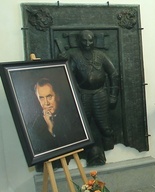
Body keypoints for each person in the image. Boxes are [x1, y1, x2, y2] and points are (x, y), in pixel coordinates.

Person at [61, 30, 119, 166]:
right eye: (84, 41)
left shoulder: (101, 55)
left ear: (94, 41)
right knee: (83, 127)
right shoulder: (75, 56)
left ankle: (108, 148)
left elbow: (114, 74)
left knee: (104, 126)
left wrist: (113, 95)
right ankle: (87, 152)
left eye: (90, 40)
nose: (87, 43)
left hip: (99, 94)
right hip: (83, 94)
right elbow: (68, 75)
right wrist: (62, 60)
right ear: (79, 41)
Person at [29, 78, 86, 170]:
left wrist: (53, 130)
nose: (46, 103)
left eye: (49, 97)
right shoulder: (35, 126)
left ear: (58, 96)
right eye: (41, 98)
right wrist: (50, 129)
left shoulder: (72, 118)